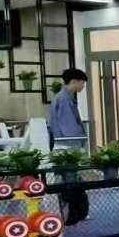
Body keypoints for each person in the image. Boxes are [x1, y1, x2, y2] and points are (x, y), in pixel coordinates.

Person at [49, 68, 90, 225]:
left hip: (63, 146)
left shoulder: (63, 97)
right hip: (67, 147)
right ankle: (72, 216)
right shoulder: (64, 99)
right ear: (74, 81)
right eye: (82, 83)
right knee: (70, 182)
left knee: (69, 180)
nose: (83, 86)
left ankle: (72, 214)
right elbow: (69, 127)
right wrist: (79, 146)